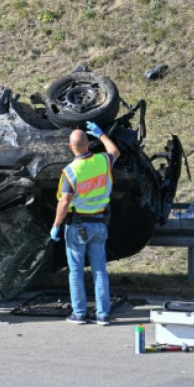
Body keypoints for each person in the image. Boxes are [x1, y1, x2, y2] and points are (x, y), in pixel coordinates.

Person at [50, 121, 120, 325]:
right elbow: (115, 151)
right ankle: (103, 314)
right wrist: (102, 135)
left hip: (77, 226)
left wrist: (56, 225)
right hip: (99, 223)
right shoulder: (103, 161)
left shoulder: (70, 171)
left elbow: (64, 202)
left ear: (70, 147)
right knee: (99, 270)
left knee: (76, 271)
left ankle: (79, 313)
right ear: (88, 144)